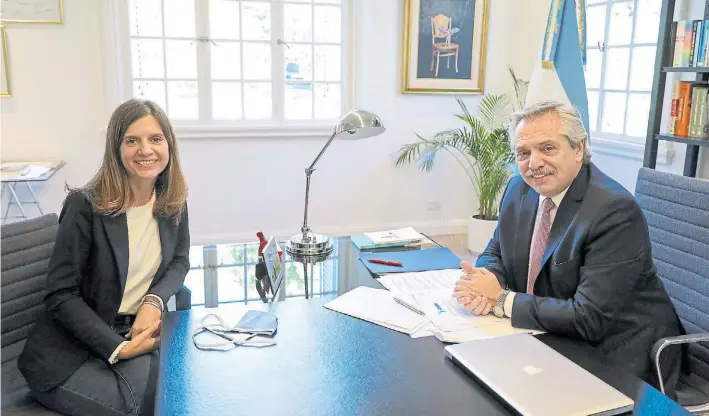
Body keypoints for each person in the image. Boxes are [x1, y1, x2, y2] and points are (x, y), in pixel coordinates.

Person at [453, 100, 682, 396]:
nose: (533, 163)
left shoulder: (613, 210)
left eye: (547, 148)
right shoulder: (518, 189)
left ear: (578, 149)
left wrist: (500, 299)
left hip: (614, 353)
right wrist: (487, 279)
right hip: (548, 333)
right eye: (524, 152)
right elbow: (497, 250)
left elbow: (589, 318)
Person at [18, 99, 190, 415]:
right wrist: (117, 348)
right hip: (70, 351)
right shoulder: (85, 206)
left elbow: (179, 261)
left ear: (169, 145)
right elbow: (61, 295)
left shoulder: (171, 200)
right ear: (116, 148)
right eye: (132, 140)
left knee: (180, 391)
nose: (146, 150)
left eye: (155, 139)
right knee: (151, 406)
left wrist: (153, 302)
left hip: (133, 330)